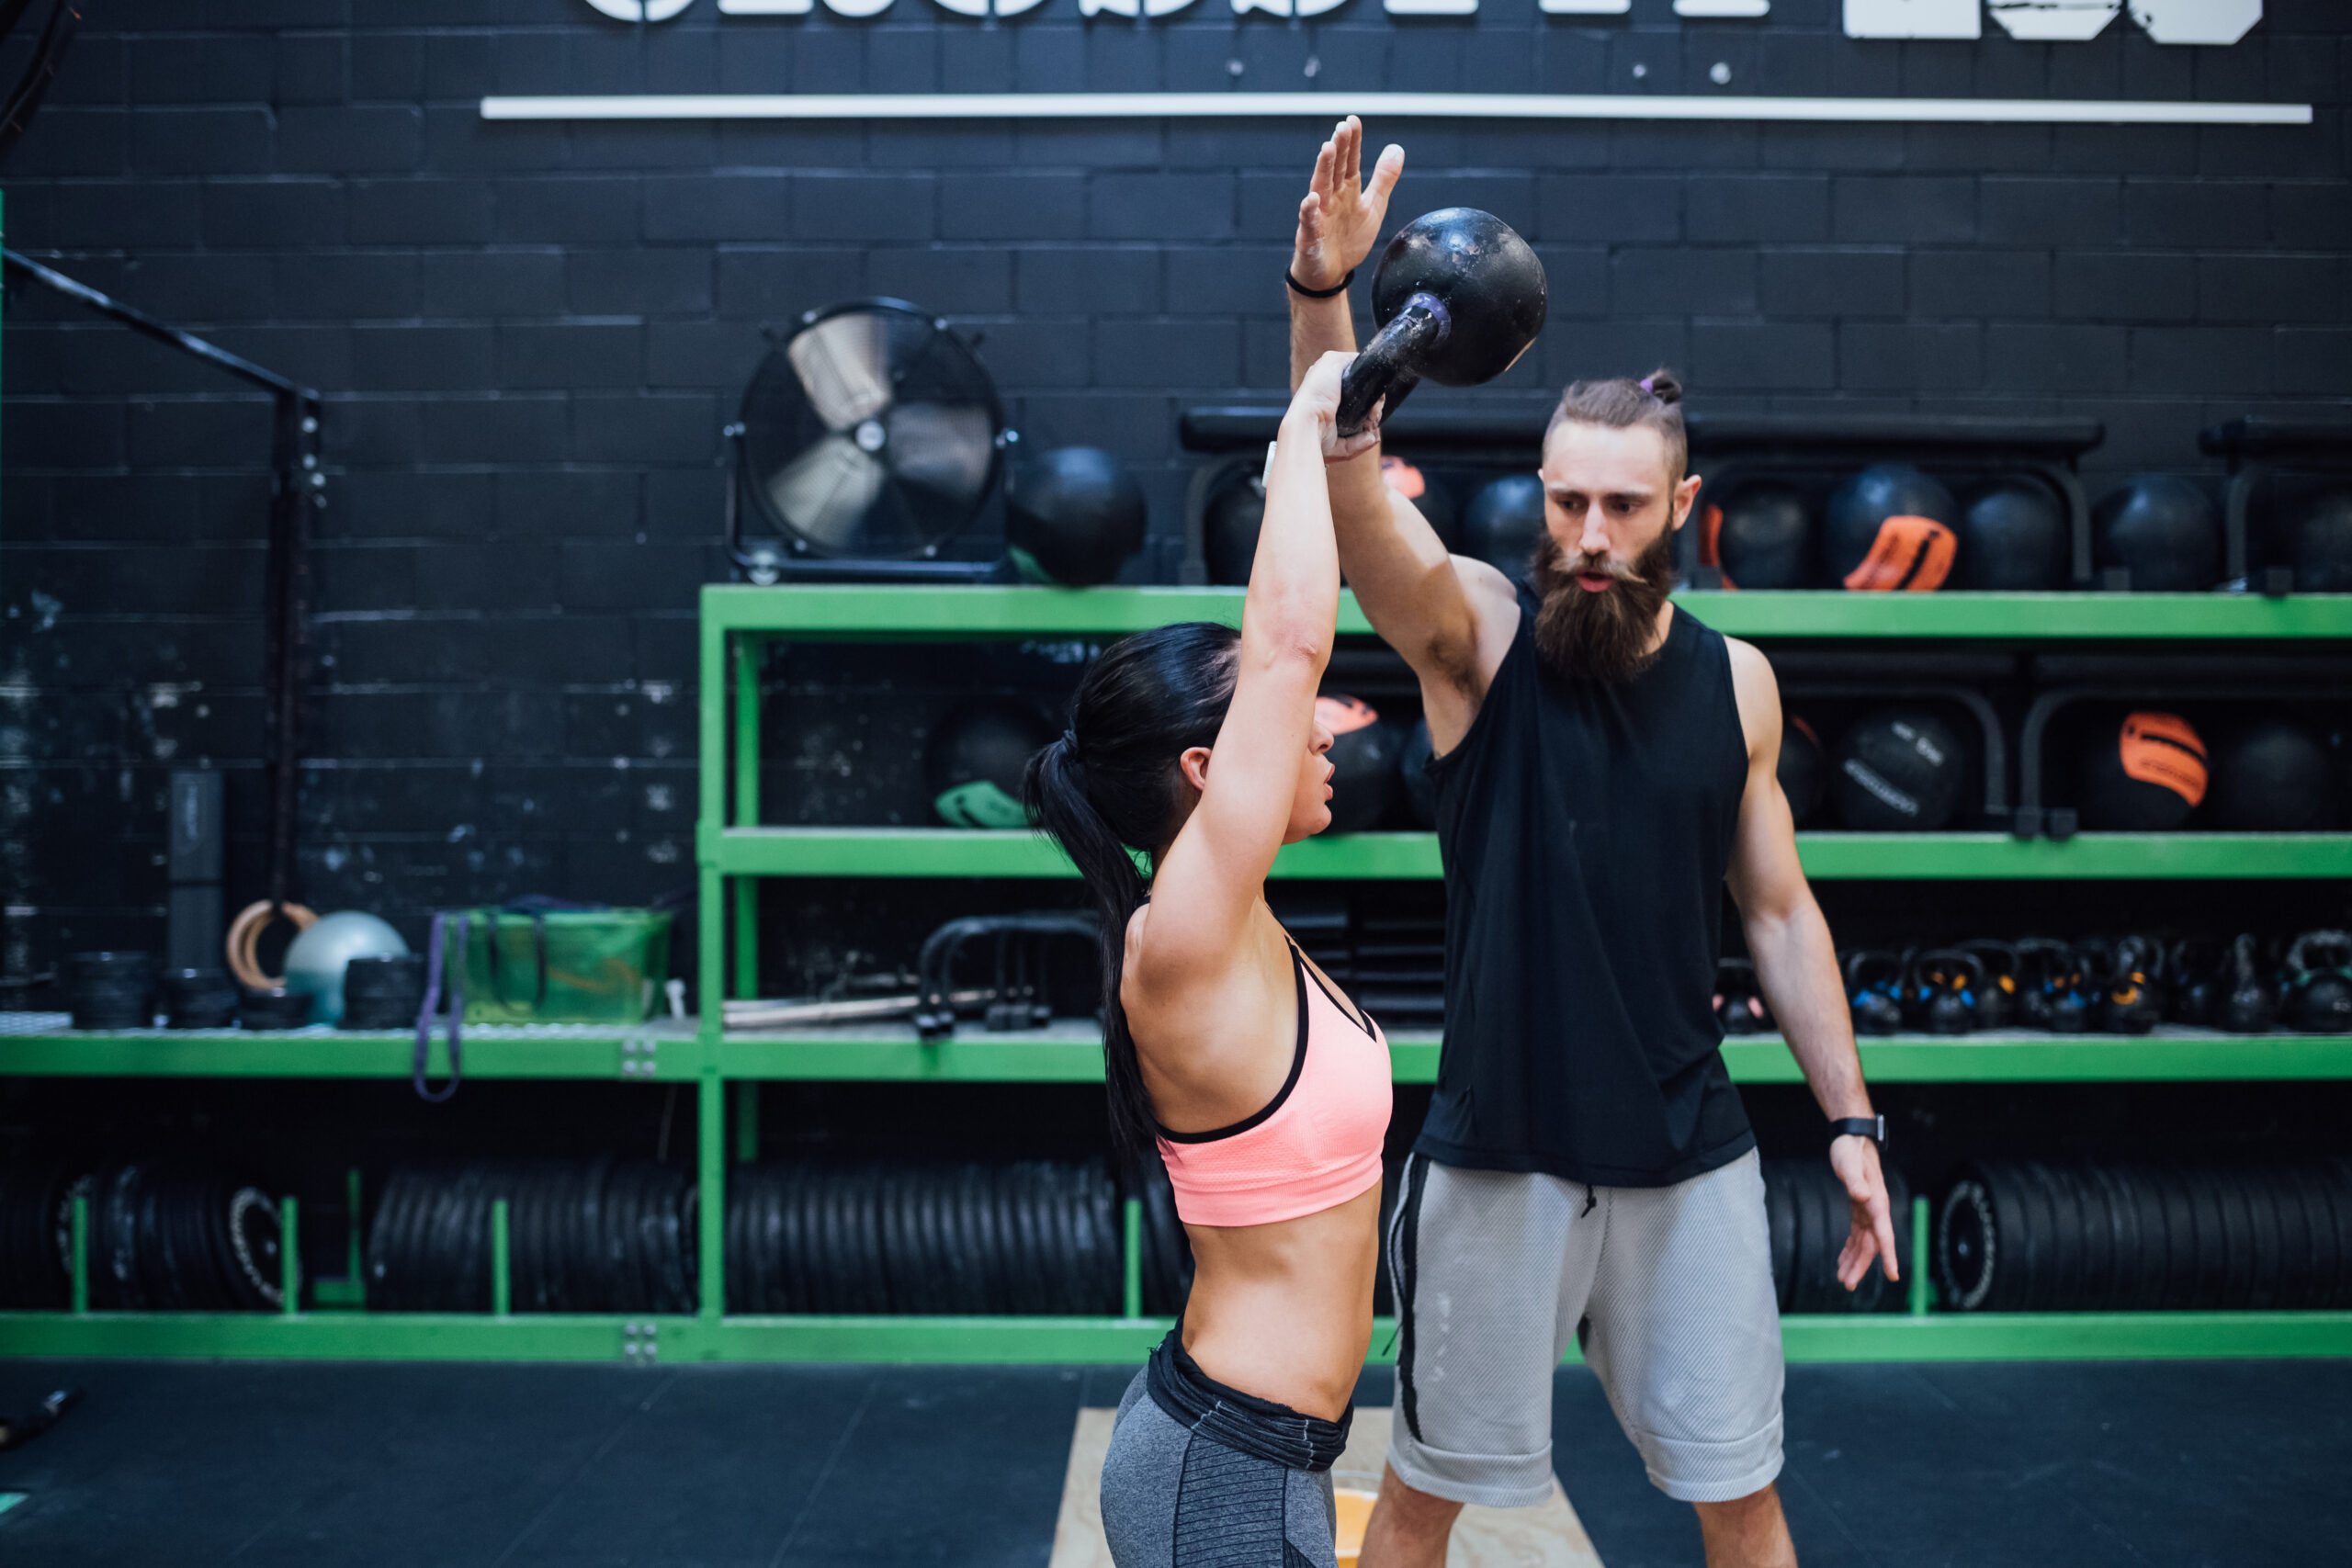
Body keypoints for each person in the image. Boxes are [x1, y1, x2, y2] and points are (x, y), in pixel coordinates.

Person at [1284, 118, 1900, 1568]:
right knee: (1424, 1494)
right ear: (1541, 498)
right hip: (1497, 1154)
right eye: (1570, 502)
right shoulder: (1480, 642)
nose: (1594, 533)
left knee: (1737, 1492)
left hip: (1690, 1159)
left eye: (1626, 505)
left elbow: (1782, 916)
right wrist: (1327, 308)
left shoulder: (1738, 682)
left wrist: (1854, 1120)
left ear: (1681, 508)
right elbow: (1350, 495)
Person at [1025, 351, 1391, 1568]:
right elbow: (1287, 640)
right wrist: (1307, 412)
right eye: (1289, 721)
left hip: (1269, 1457)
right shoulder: (1178, 938)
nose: (1329, 725)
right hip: (1220, 1469)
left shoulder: (1243, 929)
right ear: (1205, 770)